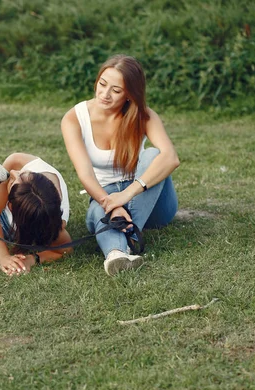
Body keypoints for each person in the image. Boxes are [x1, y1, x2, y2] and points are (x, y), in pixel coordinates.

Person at [61, 54, 179, 276]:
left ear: (129, 95)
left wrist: (125, 196)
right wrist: (113, 205)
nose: (104, 94)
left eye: (115, 90)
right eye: (102, 84)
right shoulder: (74, 118)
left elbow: (171, 158)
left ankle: (126, 236)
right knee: (99, 209)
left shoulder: (143, 115)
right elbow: (85, 174)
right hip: (104, 196)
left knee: (154, 154)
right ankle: (117, 254)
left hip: (153, 202)